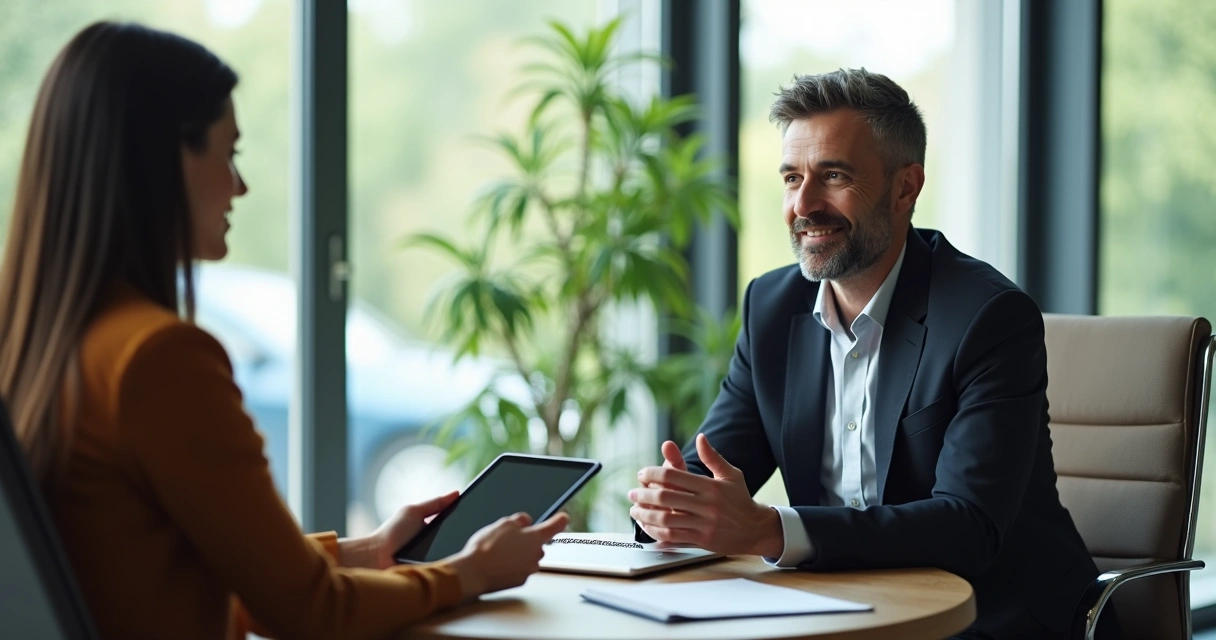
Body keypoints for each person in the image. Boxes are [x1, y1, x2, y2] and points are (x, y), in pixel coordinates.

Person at [0, 21, 567, 640]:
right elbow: (309, 611)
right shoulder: (158, 358)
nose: (239, 185)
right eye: (228, 154)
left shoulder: (42, 343)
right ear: (159, 161)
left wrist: (367, 550)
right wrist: (469, 573)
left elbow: (186, 580)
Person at [627, 68, 1117, 639]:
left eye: (833, 176)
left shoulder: (988, 318)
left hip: (992, 618)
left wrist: (769, 530)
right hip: (839, 609)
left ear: (905, 187)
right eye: (791, 178)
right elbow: (713, 469)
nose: (804, 204)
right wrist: (670, 506)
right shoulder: (771, 307)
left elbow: (968, 528)